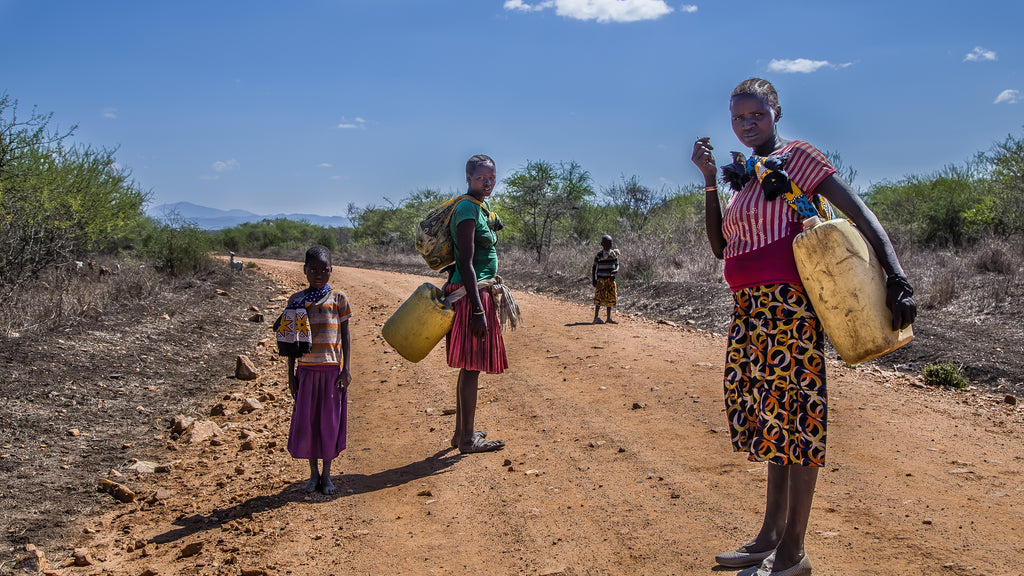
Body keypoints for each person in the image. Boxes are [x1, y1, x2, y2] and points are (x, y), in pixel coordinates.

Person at [690, 78, 916, 576]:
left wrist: (897, 276)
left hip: (789, 309)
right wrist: (709, 179)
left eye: (757, 115)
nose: (747, 124)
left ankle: (794, 549)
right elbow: (720, 249)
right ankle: (769, 535)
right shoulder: (744, 176)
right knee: (774, 420)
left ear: (776, 114)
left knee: (798, 417)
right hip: (750, 310)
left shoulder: (797, 157)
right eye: (738, 118)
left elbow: (858, 211)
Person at [445, 154, 512, 454]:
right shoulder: (466, 209)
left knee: (469, 367)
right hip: (471, 295)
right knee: (471, 367)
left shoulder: (480, 209)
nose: (487, 182)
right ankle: (468, 439)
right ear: (468, 177)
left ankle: (462, 434)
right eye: (481, 177)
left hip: (475, 292)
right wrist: (477, 309)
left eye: (492, 178)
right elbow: (465, 261)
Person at [282, 245, 353, 495]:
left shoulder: (338, 299)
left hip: (332, 372)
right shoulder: (297, 302)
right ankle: (313, 475)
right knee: (309, 424)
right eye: (313, 269)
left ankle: (328, 475)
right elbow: (290, 343)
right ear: (305, 270)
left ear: (331, 270)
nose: (319, 274)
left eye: (324, 269)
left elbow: (345, 337)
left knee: (328, 424)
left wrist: (346, 369)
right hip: (307, 371)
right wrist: (291, 374)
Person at [591, 234, 619, 324]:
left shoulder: (613, 254)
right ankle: (596, 317)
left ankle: (608, 317)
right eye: (607, 243)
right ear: (602, 244)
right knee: (599, 298)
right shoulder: (599, 254)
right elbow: (594, 267)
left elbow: (617, 265)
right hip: (601, 279)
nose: (609, 245)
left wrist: (616, 270)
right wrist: (594, 279)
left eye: (610, 243)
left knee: (610, 298)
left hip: (610, 280)